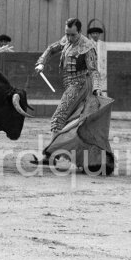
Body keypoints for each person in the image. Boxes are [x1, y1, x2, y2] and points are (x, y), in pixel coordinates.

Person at [32, 18, 114, 174]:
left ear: (80, 32)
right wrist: (42, 62)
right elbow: (51, 48)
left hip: (79, 85)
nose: (69, 38)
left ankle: (51, 156)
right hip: (70, 85)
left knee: (58, 118)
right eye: (67, 34)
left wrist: (97, 88)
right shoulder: (67, 39)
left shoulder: (87, 46)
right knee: (71, 121)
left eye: (72, 35)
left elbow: (93, 71)